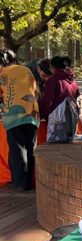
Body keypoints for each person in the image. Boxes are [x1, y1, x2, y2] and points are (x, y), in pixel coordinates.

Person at [0, 49, 39, 191]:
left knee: (17, 150)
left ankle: (20, 184)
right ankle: (31, 182)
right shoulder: (26, 70)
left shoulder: (2, 73)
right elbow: (33, 90)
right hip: (32, 114)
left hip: (13, 116)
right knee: (31, 148)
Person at [39, 56, 80, 122]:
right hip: (72, 118)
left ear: (52, 67)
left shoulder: (53, 80)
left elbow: (47, 101)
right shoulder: (73, 81)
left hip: (57, 120)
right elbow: (77, 99)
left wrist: (42, 115)